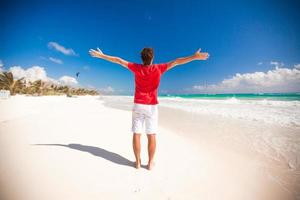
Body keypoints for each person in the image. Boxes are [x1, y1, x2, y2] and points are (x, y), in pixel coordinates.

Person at [89, 47, 209, 170]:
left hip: (138, 105)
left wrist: (102, 56)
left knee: (137, 133)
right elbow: (177, 61)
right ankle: (150, 163)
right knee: (151, 134)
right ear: (152, 58)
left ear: (142, 58)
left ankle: (137, 163)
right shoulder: (158, 68)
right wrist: (194, 57)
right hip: (151, 106)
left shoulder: (136, 68)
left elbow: (119, 60)